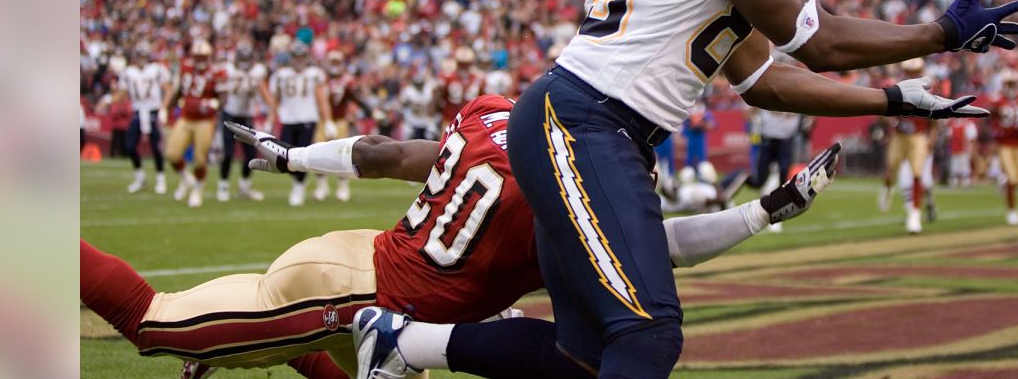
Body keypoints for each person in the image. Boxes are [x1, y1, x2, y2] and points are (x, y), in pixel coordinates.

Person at [359, 0, 1018, 379]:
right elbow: (818, 41)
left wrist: (892, 99)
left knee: (583, 357)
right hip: (585, 124)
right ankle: (397, 343)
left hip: (582, 125)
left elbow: (764, 77)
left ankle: (402, 344)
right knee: (647, 334)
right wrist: (939, 32)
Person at [80, 95, 838, 379]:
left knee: (353, 361)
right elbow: (659, 247)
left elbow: (386, 155)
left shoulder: (494, 115)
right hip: (359, 296)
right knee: (155, 324)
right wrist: (759, 214)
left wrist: (292, 155)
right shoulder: (571, 190)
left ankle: (265, 343)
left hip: (359, 259)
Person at [260, 42, 334, 207]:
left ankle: (298, 187)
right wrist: (270, 119)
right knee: (285, 158)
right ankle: (300, 182)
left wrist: (328, 120)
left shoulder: (314, 74)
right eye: (296, 57)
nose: (299, 60)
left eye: (302, 57)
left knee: (301, 157)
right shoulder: (281, 75)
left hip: (308, 119)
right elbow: (275, 100)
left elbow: (321, 98)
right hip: (288, 120)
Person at [877, 59, 939, 233]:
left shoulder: (929, 88)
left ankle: (915, 215)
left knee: (917, 174)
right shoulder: (896, 87)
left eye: (915, 71)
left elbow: (935, 116)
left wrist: (932, 137)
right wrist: (890, 120)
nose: (912, 74)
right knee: (891, 169)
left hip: (918, 135)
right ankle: (888, 188)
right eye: (909, 71)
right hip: (900, 136)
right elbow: (882, 111)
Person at [162, 40, 225, 208]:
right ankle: (185, 178)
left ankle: (198, 189)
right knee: (171, 154)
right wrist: (166, 110)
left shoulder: (217, 72)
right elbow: (177, 92)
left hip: (205, 121)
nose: (200, 60)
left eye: (202, 56)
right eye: (197, 56)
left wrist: (213, 104)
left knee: (199, 159)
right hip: (186, 117)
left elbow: (223, 97)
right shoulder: (185, 69)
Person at [314, 50, 372, 202]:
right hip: (322, 121)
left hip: (340, 120)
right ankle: (322, 186)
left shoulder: (347, 80)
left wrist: (367, 109)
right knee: (317, 153)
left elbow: (356, 97)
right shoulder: (321, 79)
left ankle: (343, 187)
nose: (334, 66)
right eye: (332, 63)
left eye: (336, 63)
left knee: (343, 156)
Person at [118, 43, 172, 194]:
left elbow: (168, 89)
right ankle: (140, 177)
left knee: (156, 148)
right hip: (137, 111)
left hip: (153, 111)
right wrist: (108, 100)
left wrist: (163, 107)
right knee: (129, 147)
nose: (141, 59)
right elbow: (122, 93)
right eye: (139, 56)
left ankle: (161, 180)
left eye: (143, 56)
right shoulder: (128, 72)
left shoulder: (157, 69)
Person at [217, 46, 267, 202]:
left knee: (251, 155)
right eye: (243, 59)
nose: (245, 63)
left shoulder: (257, 71)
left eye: (247, 59)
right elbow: (222, 93)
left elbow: (261, 91)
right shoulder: (228, 70)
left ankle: (244, 186)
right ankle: (223, 186)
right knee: (228, 153)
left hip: (247, 117)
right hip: (230, 115)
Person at [989, 69, 1018, 225]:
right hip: (1005, 145)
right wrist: (997, 133)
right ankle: (1012, 211)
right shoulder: (997, 99)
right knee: (1013, 179)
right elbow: (990, 119)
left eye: (1013, 83)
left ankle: (1003, 180)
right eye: (1008, 83)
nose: (1011, 86)